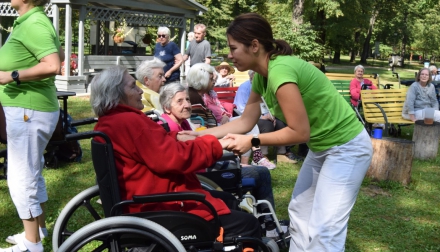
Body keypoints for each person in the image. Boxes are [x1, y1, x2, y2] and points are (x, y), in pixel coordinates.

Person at [185, 13, 373, 251]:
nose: (229, 55)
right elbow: (245, 121)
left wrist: (252, 140)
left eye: (233, 48)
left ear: (254, 45)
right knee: (300, 211)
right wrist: (200, 135)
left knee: (326, 227)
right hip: (322, 147)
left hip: (347, 148)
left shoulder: (280, 72)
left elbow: (299, 133)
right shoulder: (262, 78)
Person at [90, 66, 261, 243]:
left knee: (227, 200)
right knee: (248, 224)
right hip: (159, 205)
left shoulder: (110, 122)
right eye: (133, 86)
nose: (141, 90)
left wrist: (176, 136)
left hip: (142, 198)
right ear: (117, 93)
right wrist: (217, 145)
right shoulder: (128, 121)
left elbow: (151, 145)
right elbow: (174, 159)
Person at [159, 83, 279, 236]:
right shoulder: (170, 128)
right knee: (261, 173)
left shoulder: (182, 123)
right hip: (203, 176)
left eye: (188, 100)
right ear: (167, 107)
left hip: (206, 169)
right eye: (180, 101)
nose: (187, 105)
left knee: (253, 168)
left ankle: (264, 222)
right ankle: (269, 226)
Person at [0, 0, 64, 250]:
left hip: (29, 110)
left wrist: (11, 75)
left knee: (20, 177)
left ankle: (31, 244)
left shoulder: (35, 22)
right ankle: (38, 230)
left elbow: (53, 65)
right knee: (31, 171)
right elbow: (57, 55)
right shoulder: (30, 20)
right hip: (31, 108)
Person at [187, 63, 275, 169]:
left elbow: (220, 109)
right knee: (248, 126)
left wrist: (225, 115)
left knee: (250, 124)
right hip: (213, 129)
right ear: (202, 80)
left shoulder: (209, 94)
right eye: (211, 79)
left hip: (220, 123)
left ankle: (253, 159)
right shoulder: (195, 98)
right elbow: (200, 125)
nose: (214, 82)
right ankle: (250, 161)